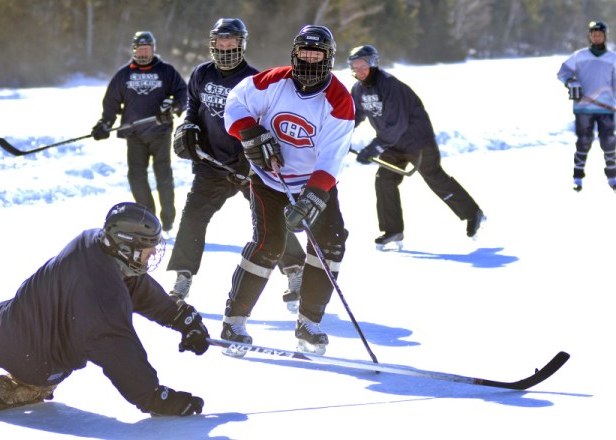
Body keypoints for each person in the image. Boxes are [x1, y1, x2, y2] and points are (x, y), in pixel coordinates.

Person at [0, 202, 209, 419]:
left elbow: (134, 285)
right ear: (125, 247)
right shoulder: (106, 302)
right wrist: (158, 398)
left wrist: (182, 318)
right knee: (35, 386)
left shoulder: (91, 241)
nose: (151, 257)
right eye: (146, 251)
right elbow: (124, 359)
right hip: (41, 369)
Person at [220, 25, 353, 356]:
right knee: (268, 245)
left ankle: (309, 324)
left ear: (329, 58)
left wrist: (311, 198)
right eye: (304, 53)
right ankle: (233, 322)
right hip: (268, 180)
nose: (309, 60)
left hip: (311, 181)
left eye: (317, 54)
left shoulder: (339, 102)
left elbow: (331, 159)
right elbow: (235, 102)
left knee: (330, 244)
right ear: (294, 54)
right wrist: (250, 133)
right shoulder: (272, 81)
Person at [167, 18, 306, 312]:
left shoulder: (255, 81)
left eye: (232, 42)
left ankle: (295, 271)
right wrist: (187, 129)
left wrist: (253, 162)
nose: (225, 47)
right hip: (211, 165)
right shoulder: (201, 74)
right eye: (221, 41)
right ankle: (182, 276)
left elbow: (264, 125)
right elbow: (193, 107)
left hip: (249, 168)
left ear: (242, 44)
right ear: (212, 43)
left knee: (271, 222)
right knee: (192, 217)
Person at [349, 44, 485, 250]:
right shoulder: (358, 90)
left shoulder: (390, 86)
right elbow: (354, 116)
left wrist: (373, 148)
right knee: (384, 181)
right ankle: (392, 230)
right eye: (354, 66)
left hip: (418, 142)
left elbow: (396, 125)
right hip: (393, 145)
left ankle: (472, 213)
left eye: (363, 65)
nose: (359, 70)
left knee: (434, 178)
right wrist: (338, 134)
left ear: (374, 63)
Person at [92, 31, 188, 234]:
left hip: (160, 133)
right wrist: (105, 123)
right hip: (134, 134)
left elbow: (182, 93)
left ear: (153, 49)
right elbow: (111, 102)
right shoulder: (124, 74)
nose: (144, 53)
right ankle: (149, 217)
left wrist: (172, 106)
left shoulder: (166, 71)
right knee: (136, 177)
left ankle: (168, 218)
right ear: (134, 50)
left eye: (147, 49)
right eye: (140, 49)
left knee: (163, 176)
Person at [556, 20, 616, 192]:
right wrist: (570, 82)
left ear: (605, 36)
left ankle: (613, 177)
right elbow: (563, 72)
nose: (597, 37)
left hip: (606, 108)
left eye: (600, 34)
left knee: (609, 142)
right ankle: (578, 178)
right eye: (594, 34)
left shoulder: (613, 58)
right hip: (583, 108)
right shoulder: (579, 56)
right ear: (590, 36)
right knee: (583, 142)